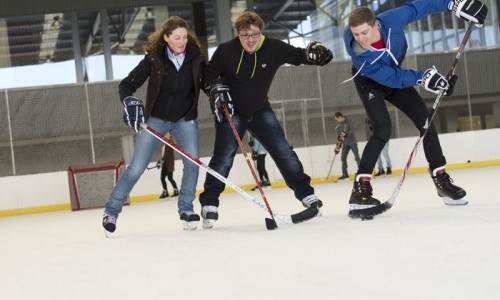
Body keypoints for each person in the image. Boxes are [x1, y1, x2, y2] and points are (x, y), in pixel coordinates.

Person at [342, 0, 487, 218]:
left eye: (364, 32)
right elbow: (393, 78)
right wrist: (423, 78)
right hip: (370, 81)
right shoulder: (360, 56)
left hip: (395, 74)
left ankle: (441, 180)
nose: (360, 39)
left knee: (426, 123)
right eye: (356, 34)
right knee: (382, 128)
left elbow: (421, 7)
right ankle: (360, 189)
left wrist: (452, 4)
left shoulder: (390, 20)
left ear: (376, 25)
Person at [199, 11, 333, 229]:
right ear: (238, 34)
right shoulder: (226, 51)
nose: (250, 40)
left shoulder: (273, 48)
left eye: (254, 34)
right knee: (222, 159)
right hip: (231, 112)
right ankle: (209, 204)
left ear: (261, 32)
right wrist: (214, 87)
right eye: (245, 35)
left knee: (284, 153)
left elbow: (299, 55)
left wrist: (314, 55)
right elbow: (209, 74)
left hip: (260, 111)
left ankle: (306, 194)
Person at [102, 16, 206, 233]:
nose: (182, 42)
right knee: (136, 168)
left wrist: (216, 90)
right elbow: (126, 85)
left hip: (185, 119)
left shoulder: (196, 57)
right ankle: (111, 212)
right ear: (166, 38)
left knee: (192, 162)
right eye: (177, 38)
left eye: (185, 37)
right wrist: (129, 101)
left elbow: (208, 82)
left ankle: (186, 209)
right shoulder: (154, 59)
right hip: (156, 121)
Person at [334, 112, 361, 181]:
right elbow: (339, 138)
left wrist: (346, 134)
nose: (336, 121)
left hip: (352, 142)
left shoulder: (349, 121)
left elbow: (352, 131)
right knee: (343, 158)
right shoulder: (338, 126)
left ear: (340, 117)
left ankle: (362, 172)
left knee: (357, 157)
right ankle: (345, 174)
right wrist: (338, 147)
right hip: (345, 144)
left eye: (337, 119)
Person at [157, 132, 179, 199]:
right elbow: (164, 155)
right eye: (165, 134)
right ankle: (169, 192)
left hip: (167, 164)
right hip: (165, 164)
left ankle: (169, 192)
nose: (165, 135)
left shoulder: (169, 143)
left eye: (167, 134)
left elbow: (165, 155)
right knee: (166, 178)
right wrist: (160, 161)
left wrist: (160, 162)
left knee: (166, 178)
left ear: (170, 136)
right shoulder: (166, 144)